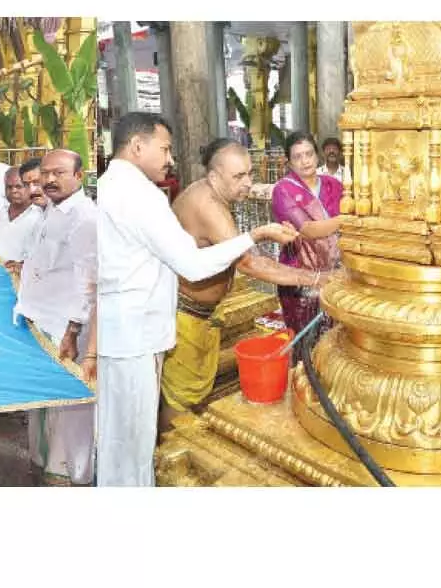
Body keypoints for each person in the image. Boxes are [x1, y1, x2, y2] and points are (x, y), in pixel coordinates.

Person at [97, 112, 298, 487]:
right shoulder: (139, 194)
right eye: (165, 148)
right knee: (134, 441)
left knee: (121, 436)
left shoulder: (113, 184)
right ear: (137, 146)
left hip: (128, 327)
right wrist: (256, 237)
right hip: (137, 331)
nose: (170, 159)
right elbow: (191, 263)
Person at [161, 139, 328, 424]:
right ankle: (171, 458)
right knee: (180, 398)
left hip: (202, 314)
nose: (249, 183)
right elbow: (249, 262)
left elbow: (239, 248)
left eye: (250, 174)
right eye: (239, 176)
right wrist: (314, 278)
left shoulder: (215, 197)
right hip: (186, 314)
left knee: (191, 392)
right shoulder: (207, 204)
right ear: (214, 177)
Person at [16, 149, 97, 486]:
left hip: (67, 326)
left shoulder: (85, 217)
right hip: (43, 321)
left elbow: (88, 280)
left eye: (59, 173)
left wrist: (73, 330)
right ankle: (45, 463)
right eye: (45, 173)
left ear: (79, 176)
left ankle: (71, 475)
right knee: (45, 398)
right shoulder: (51, 210)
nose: (49, 180)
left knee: (70, 407)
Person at [271, 132, 343, 335]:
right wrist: (347, 220)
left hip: (334, 273)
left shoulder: (334, 185)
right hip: (301, 278)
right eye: (297, 157)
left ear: (317, 155)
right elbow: (307, 230)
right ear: (289, 162)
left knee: (335, 338)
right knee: (305, 339)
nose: (305, 161)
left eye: (309, 154)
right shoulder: (283, 190)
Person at [0, 167, 42, 267]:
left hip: (24, 277)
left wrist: (22, 266)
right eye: (9, 187)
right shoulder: (2, 212)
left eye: (19, 186)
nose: (13, 191)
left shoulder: (39, 215)